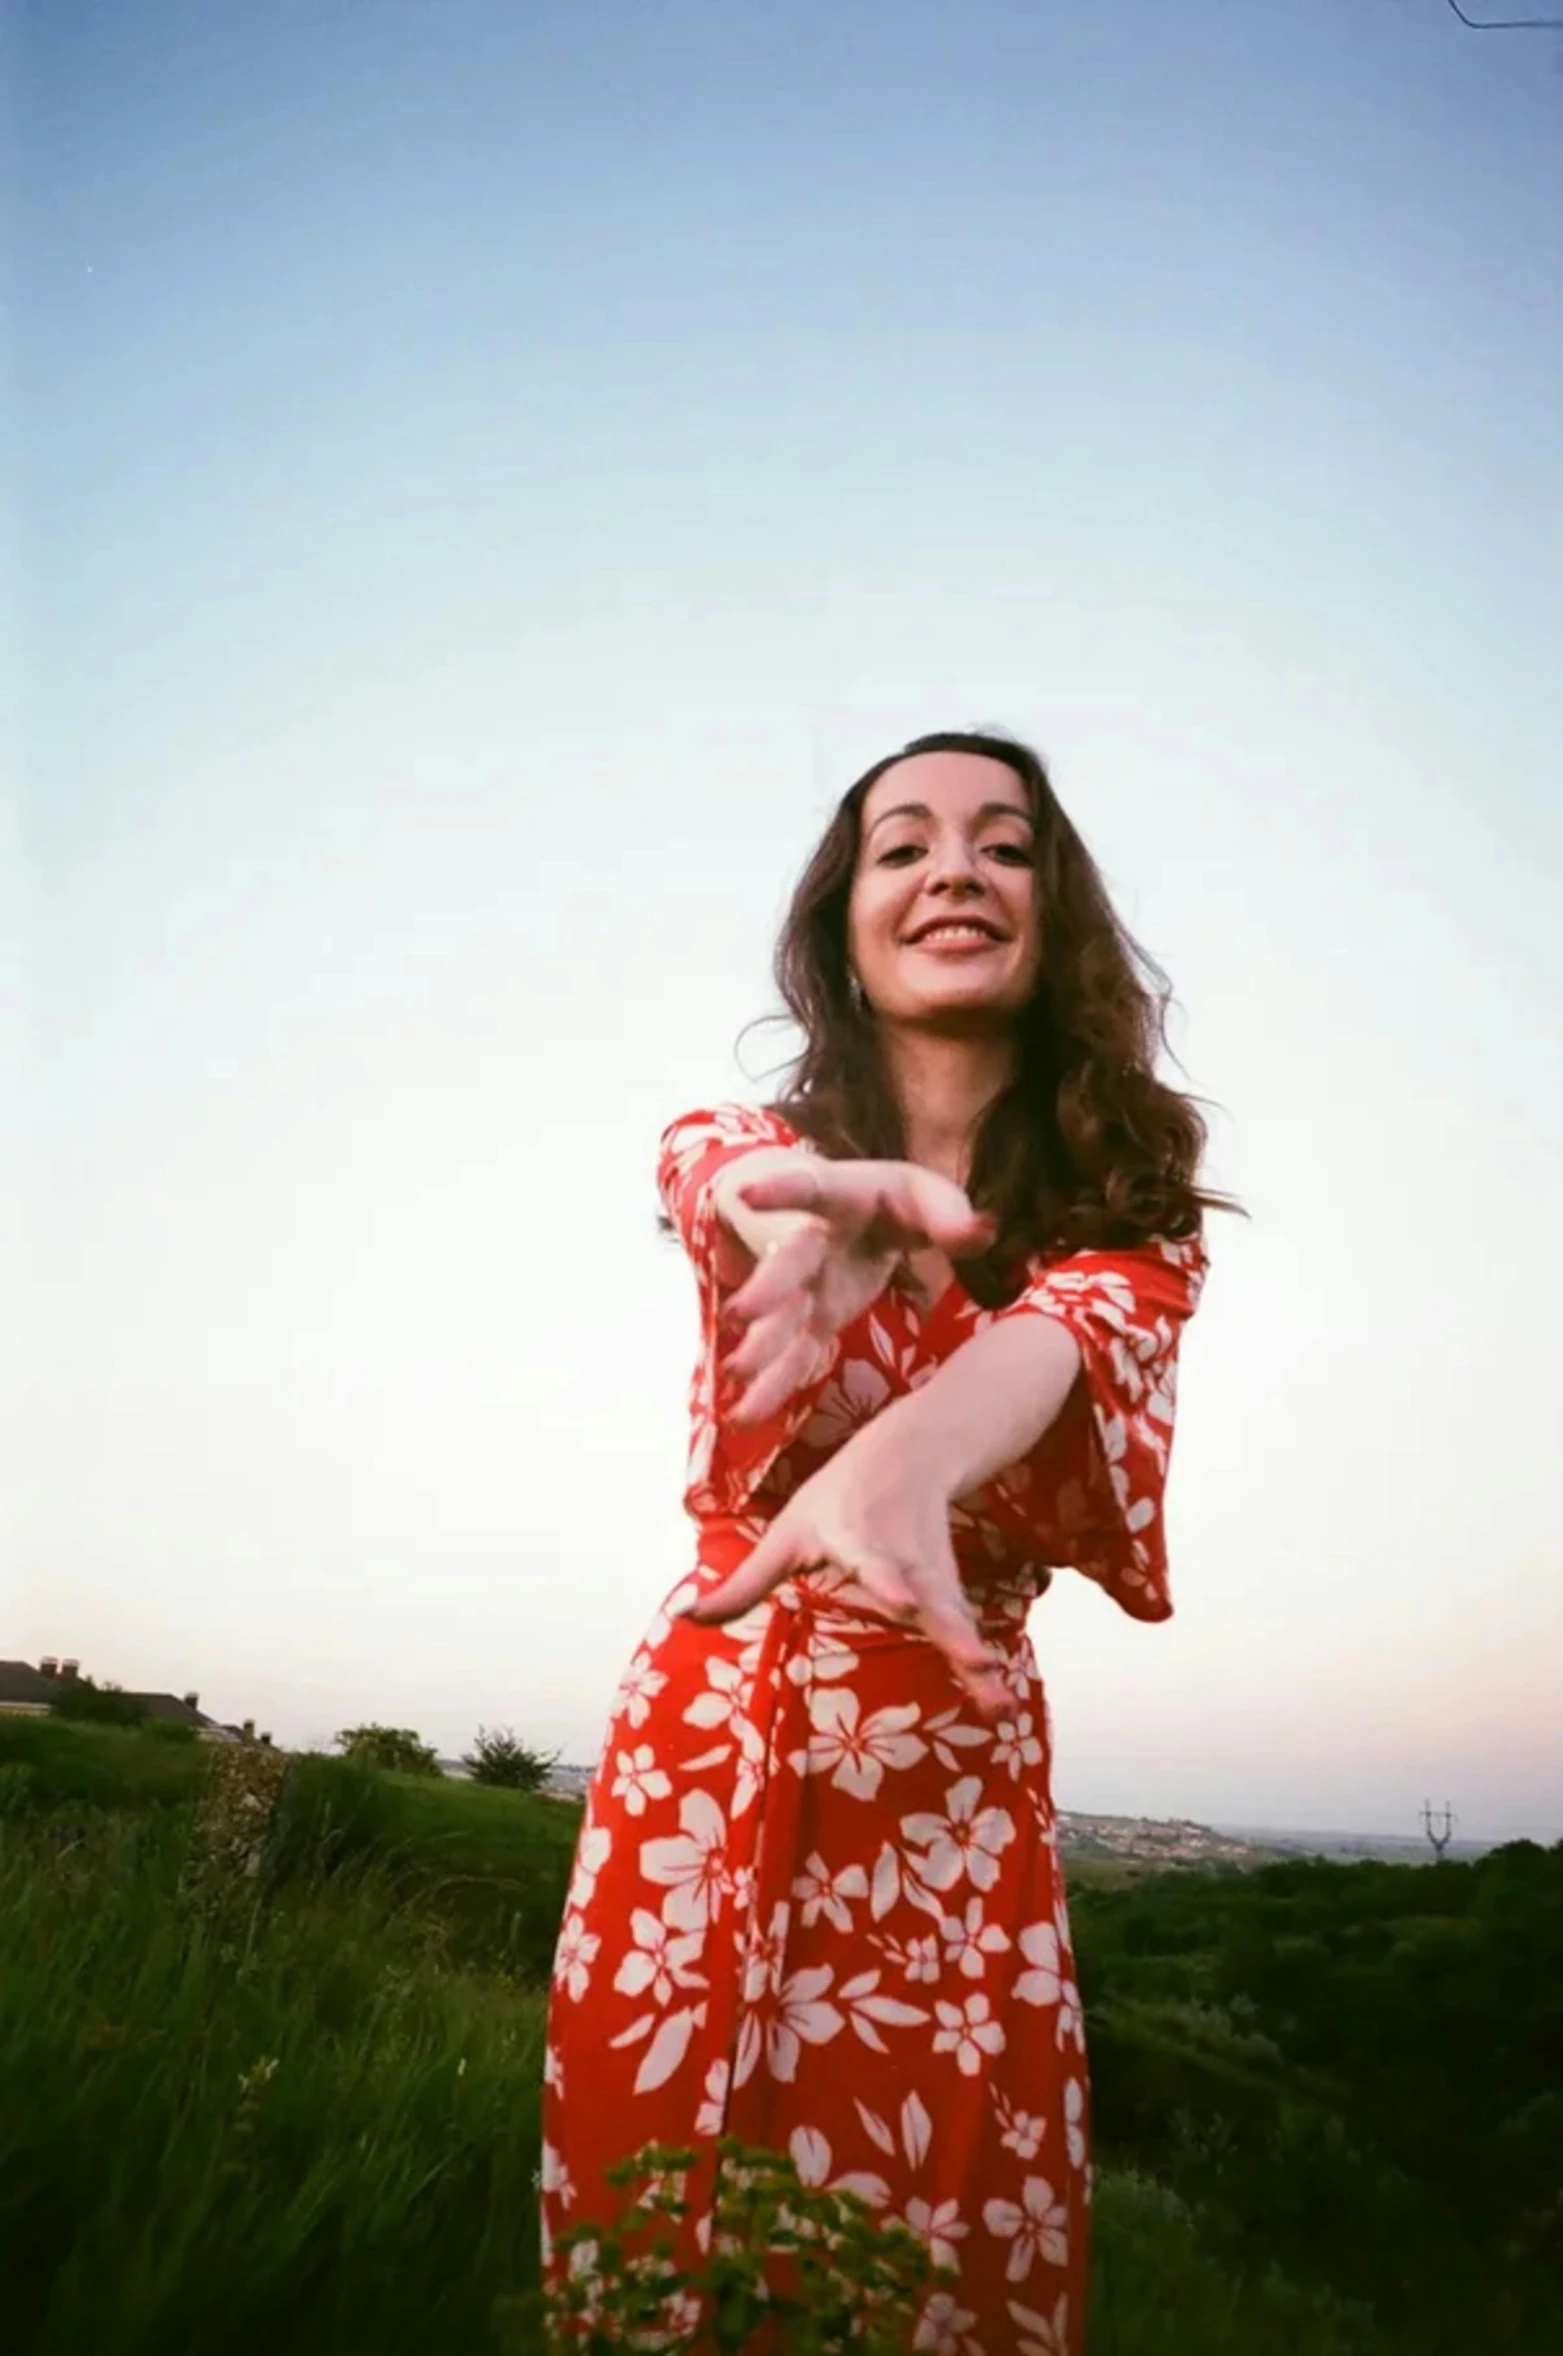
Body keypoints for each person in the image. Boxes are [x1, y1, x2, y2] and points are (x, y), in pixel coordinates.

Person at [540, 730, 1225, 2353]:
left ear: (1052, 908)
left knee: (933, 2242)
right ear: (842, 915)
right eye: (902, 844)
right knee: (661, 2215)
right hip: (710, 1745)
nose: (952, 871)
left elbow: (1046, 1349)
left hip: (951, 1766)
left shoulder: (1130, 1210)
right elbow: (716, 1172)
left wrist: (900, 1463)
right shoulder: (750, 1145)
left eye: (1002, 843)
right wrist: (791, 1201)